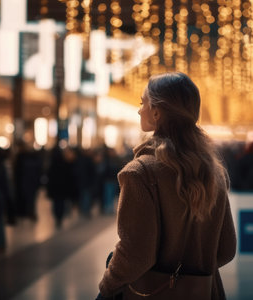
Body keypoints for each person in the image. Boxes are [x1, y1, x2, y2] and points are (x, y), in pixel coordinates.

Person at [97, 72, 236, 299]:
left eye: (143, 103)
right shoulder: (213, 173)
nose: (139, 109)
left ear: (156, 112)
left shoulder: (140, 173)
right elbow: (226, 249)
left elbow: (136, 254)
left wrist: (107, 287)